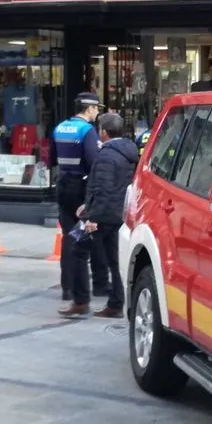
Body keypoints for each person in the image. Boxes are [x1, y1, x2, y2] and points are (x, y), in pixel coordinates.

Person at [59, 112, 139, 318]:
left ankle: (80, 300)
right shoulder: (129, 151)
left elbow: (103, 188)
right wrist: (87, 205)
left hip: (100, 216)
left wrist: (91, 217)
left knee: (76, 247)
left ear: (104, 131)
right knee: (115, 259)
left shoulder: (106, 155)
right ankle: (116, 303)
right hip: (117, 213)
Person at [50, 92, 109, 301]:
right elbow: (94, 162)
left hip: (63, 185)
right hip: (82, 188)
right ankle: (99, 285)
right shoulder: (87, 130)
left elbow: (51, 159)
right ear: (89, 108)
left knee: (69, 235)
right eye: (96, 108)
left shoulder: (60, 128)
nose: (97, 113)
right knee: (90, 234)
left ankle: (67, 287)